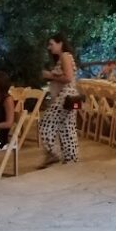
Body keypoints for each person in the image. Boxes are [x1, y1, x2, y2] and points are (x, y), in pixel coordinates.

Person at [39, 34, 79, 166]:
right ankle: (70, 160)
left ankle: (53, 153)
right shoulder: (63, 58)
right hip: (68, 97)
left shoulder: (65, 56)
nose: (49, 47)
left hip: (65, 96)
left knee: (46, 123)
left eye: (51, 44)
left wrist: (49, 75)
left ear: (60, 43)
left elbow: (68, 78)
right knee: (67, 128)